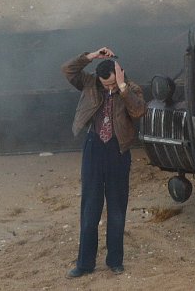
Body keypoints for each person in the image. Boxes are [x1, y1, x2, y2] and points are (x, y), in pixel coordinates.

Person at [61, 47, 146, 278]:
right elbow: (68, 70)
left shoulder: (131, 88)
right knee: (90, 208)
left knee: (117, 208)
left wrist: (121, 87)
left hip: (119, 151)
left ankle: (115, 261)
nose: (108, 89)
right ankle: (85, 264)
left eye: (111, 84)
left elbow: (138, 111)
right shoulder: (90, 84)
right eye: (105, 84)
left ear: (119, 75)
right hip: (94, 149)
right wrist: (90, 56)